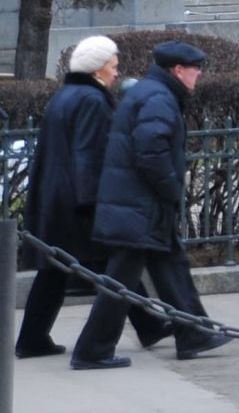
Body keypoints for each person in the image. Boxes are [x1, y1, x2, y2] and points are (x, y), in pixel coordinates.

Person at [69, 41, 228, 369]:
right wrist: (170, 187)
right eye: (195, 69)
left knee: (171, 265)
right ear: (178, 70)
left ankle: (193, 333)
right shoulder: (158, 97)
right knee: (120, 280)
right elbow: (150, 150)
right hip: (140, 203)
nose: (199, 74)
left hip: (140, 203)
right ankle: (92, 350)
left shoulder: (154, 92)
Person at [17, 37, 169, 360]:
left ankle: (32, 339)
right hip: (79, 204)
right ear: (99, 69)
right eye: (113, 67)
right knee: (115, 265)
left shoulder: (66, 95)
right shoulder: (92, 101)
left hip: (56, 201)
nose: (116, 74)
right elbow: (89, 156)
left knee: (57, 270)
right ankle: (141, 329)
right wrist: (97, 204)